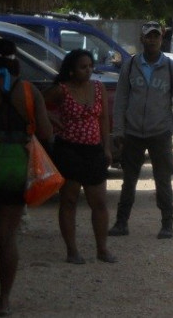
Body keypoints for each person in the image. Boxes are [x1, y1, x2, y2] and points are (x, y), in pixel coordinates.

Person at [0, 39, 53, 317]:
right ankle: (4, 302)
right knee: (7, 237)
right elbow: (45, 133)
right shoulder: (28, 90)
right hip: (15, 166)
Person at [110, 22, 173, 240]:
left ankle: (167, 223)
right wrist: (119, 129)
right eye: (148, 37)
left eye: (156, 37)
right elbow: (121, 99)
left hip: (159, 132)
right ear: (142, 39)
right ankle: (121, 222)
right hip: (133, 132)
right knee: (129, 179)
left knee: (163, 179)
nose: (152, 40)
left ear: (161, 40)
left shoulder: (171, 67)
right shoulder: (131, 64)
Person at [43, 50, 116, 265]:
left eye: (90, 66)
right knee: (69, 200)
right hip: (68, 150)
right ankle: (72, 250)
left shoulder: (98, 88)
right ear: (72, 70)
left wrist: (107, 147)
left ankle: (102, 249)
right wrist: (51, 119)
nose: (89, 70)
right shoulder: (62, 90)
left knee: (99, 202)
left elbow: (103, 119)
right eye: (83, 67)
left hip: (93, 150)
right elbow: (36, 102)